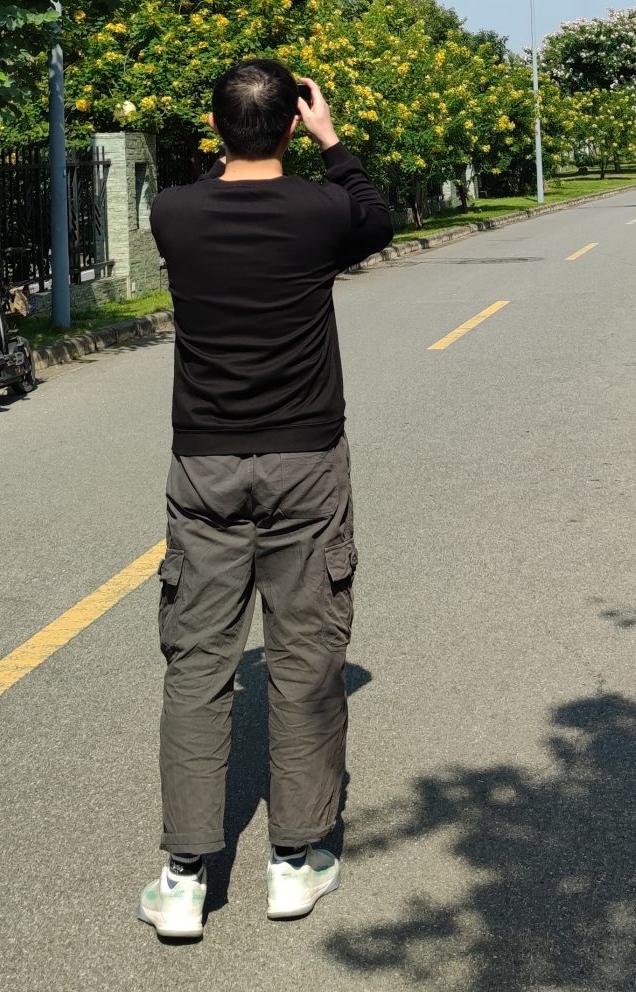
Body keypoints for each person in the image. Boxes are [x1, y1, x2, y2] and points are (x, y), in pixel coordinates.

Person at [138, 59, 394, 941]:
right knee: (306, 657)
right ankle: (293, 862)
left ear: (214, 129)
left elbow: (213, 183)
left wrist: (246, 141)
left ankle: (182, 878)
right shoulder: (322, 211)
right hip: (306, 463)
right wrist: (332, 141)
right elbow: (375, 218)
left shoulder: (174, 213)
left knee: (197, 667)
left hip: (204, 466)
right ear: (293, 122)